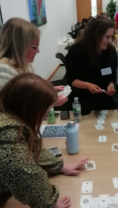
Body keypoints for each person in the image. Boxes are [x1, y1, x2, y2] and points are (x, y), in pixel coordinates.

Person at [0, 73, 89, 208]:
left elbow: (32, 147)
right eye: (45, 114)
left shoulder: (10, 112)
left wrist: (59, 166)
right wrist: (49, 202)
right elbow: (26, 175)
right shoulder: (8, 135)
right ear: (30, 110)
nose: (44, 119)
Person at [0, 17, 67, 106]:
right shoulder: (4, 72)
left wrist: (47, 93)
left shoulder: (25, 65)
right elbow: (15, 111)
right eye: (34, 47)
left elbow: (26, 94)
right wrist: (49, 103)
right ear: (20, 47)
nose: (38, 51)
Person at [66, 17, 117, 115]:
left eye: (111, 37)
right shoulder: (76, 51)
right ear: (95, 36)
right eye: (107, 37)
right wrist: (88, 85)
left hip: (103, 99)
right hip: (82, 99)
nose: (110, 41)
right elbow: (71, 79)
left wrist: (111, 85)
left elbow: (112, 75)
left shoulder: (110, 51)